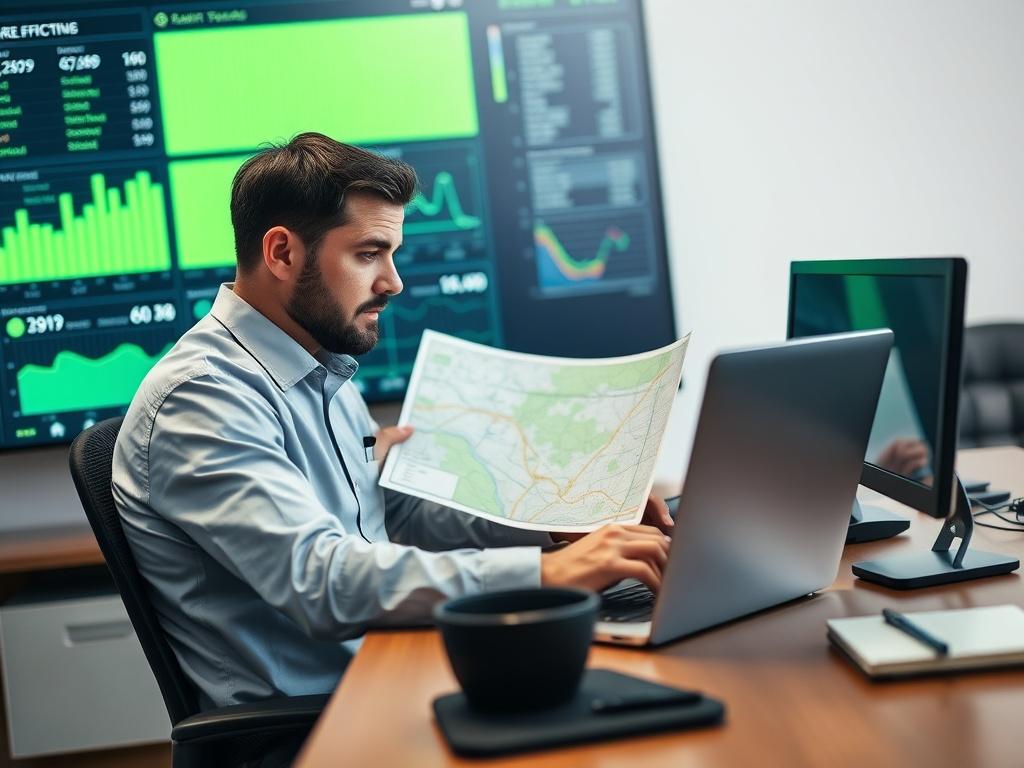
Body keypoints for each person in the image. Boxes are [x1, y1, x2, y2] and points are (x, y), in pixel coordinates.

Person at [112, 132, 672, 714]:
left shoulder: (318, 367)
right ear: (282, 253)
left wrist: (562, 527)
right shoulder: (202, 399)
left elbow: (393, 515)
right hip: (314, 731)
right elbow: (320, 580)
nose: (393, 282)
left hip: (394, 675)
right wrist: (545, 573)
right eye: (368, 253)